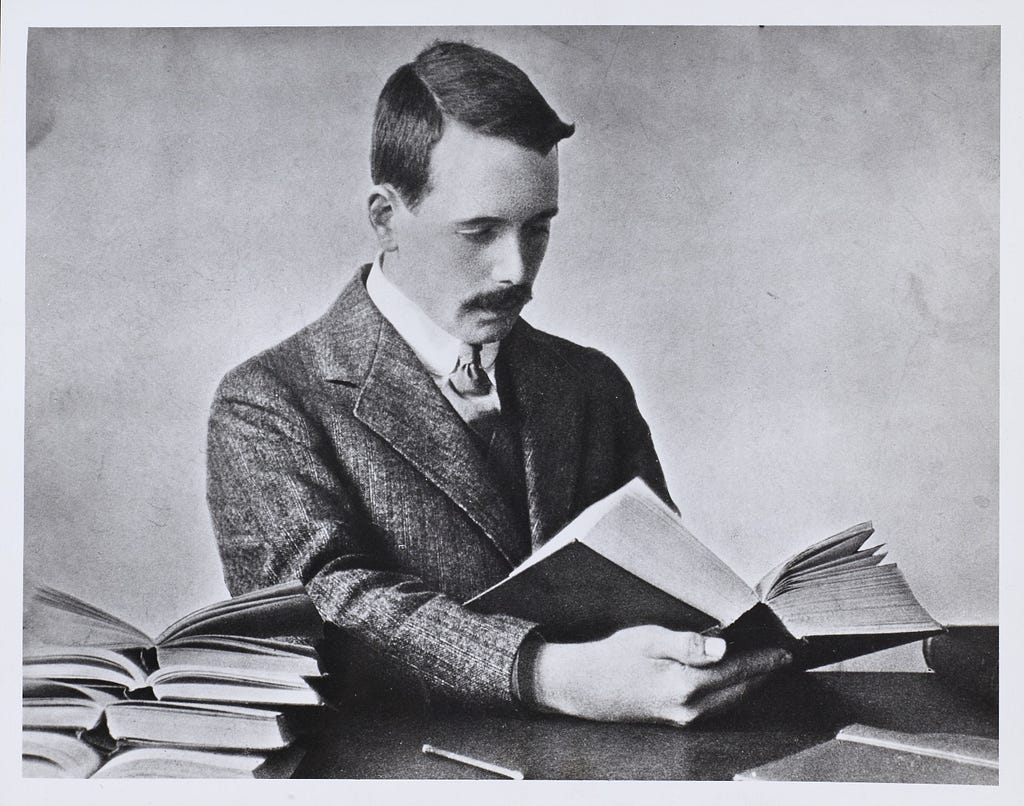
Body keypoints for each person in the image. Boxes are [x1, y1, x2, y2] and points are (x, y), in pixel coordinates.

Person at [206, 40, 790, 726]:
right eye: (479, 231)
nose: (516, 270)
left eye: (537, 229)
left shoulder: (590, 384)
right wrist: (550, 674)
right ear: (386, 218)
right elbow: (328, 615)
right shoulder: (267, 403)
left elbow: (665, 586)